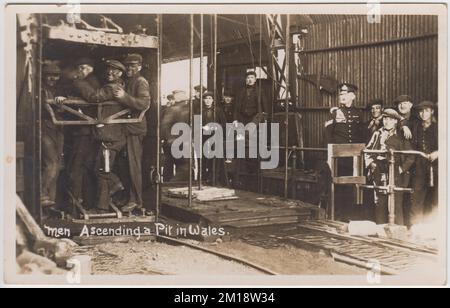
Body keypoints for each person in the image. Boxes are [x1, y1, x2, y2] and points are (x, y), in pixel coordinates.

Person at [56, 57, 101, 209]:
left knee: (76, 166)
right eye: (80, 68)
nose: (81, 71)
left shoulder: (87, 81)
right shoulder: (91, 81)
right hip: (85, 130)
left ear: (91, 69)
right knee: (83, 166)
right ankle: (84, 202)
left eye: (84, 68)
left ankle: (74, 203)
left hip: (85, 131)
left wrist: (68, 99)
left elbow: (91, 97)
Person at [87, 59, 128, 212]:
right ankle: (115, 186)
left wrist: (79, 82)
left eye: (114, 71)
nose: (110, 73)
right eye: (108, 70)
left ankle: (102, 206)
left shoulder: (112, 88)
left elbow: (94, 97)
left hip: (110, 138)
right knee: (100, 168)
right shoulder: (118, 86)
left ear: (120, 73)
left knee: (103, 172)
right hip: (111, 136)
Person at [112, 53, 151, 213]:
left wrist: (124, 97)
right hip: (123, 128)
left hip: (134, 129)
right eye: (127, 66)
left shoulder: (141, 82)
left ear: (139, 67)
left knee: (133, 166)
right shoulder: (127, 81)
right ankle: (126, 196)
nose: (129, 68)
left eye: (133, 66)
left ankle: (136, 200)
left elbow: (144, 103)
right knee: (121, 165)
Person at [364, 108, 415, 225]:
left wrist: (402, 169)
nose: (387, 122)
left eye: (391, 120)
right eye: (385, 119)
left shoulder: (401, 136)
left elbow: (411, 156)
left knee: (396, 204)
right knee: (380, 203)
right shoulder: (377, 134)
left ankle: (398, 233)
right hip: (379, 173)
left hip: (396, 174)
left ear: (396, 122)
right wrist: (371, 164)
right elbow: (367, 151)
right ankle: (381, 232)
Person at [410, 101, 438, 225]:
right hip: (419, 167)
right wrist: (404, 126)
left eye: (426, 110)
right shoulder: (415, 126)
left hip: (438, 166)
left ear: (432, 111)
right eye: (421, 111)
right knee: (416, 198)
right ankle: (416, 227)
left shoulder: (440, 127)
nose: (423, 114)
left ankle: (436, 228)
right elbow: (401, 123)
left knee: (436, 198)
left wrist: (439, 152)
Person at [41, 62, 64, 207]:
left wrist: (61, 103)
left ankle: (51, 202)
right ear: (44, 76)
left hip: (57, 130)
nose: (53, 78)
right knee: (52, 164)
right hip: (44, 128)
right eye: (50, 75)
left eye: (56, 76)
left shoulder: (57, 90)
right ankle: (42, 194)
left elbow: (61, 111)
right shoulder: (41, 90)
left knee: (58, 165)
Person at [201, 91, 226, 184]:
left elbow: (223, 124)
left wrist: (214, 127)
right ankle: (204, 178)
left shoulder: (218, 111)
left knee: (214, 159)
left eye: (209, 99)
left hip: (215, 137)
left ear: (213, 100)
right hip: (204, 137)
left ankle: (214, 178)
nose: (207, 101)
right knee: (204, 158)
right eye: (206, 99)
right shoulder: (201, 111)